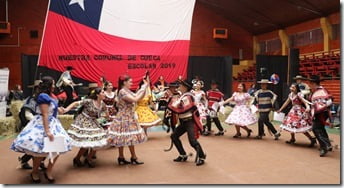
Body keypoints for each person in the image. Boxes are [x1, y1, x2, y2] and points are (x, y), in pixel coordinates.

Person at [11, 76, 72, 183]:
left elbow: (56, 110)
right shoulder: (43, 96)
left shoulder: (50, 96)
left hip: (53, 123)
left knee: (57, 148)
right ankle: (34, 172)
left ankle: (49, 171)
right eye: (53, 84)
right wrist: (47, 131)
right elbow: (44, 114)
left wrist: (69, 106)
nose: (54, 86)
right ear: (48, 85)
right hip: (43, 124)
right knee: (40, 152)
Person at [64, 87, 109, 168]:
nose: (104, 94)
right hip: (83, 121)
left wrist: (105, 118)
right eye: (102, 92)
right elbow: (75, 103)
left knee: (98, 140)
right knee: (86, 142)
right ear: (98, 94)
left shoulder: (102, 104)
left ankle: (88, 158)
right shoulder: (89, 101)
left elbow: (106, 114)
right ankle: (77, 158)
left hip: (93, 121)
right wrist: (66, 110)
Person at [107, 74, 148, 165]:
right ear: (124, 82)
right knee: (124, 137)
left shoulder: (126, 90)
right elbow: (135, 99)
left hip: (128, 116)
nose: (131, 83)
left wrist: (144, 88)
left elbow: (138, 97)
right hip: (124, 117)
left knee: (128, 137)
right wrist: (144, 87)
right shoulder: (122, 91)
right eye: (130, 81)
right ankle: (128, 157)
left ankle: (126, 157)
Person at [168, 80, 206, 166]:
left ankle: (202, 156)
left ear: (185, 87)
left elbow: (180, 107)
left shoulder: (188, 97)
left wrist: (173, 100)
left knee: (192, 141)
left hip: (189, 121)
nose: (179, 87)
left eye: (181, 85)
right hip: (183, 122)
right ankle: (183, 154)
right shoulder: (183, 96)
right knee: (174, 136)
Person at [17, 80, 47, 170]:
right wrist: (38, 121)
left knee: (43, 144)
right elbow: (27, 114)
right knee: (35, 146)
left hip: (42, 124)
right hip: (32, 125)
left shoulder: (44, 98)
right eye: (40, 88)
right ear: (36, 89)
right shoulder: (31, 100)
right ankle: (29, 162)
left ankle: (31, 161)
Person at [308, 75, 333, 157]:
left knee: (315, 128)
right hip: (318, 113)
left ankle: (324, 147)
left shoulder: (321, 90)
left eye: (310, 83)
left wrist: (323, 106)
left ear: (314, 83)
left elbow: (330, 100)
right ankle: (328, 145)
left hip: (322, 113)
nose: (309, 84)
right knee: (321, 128)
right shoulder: (315, 91)